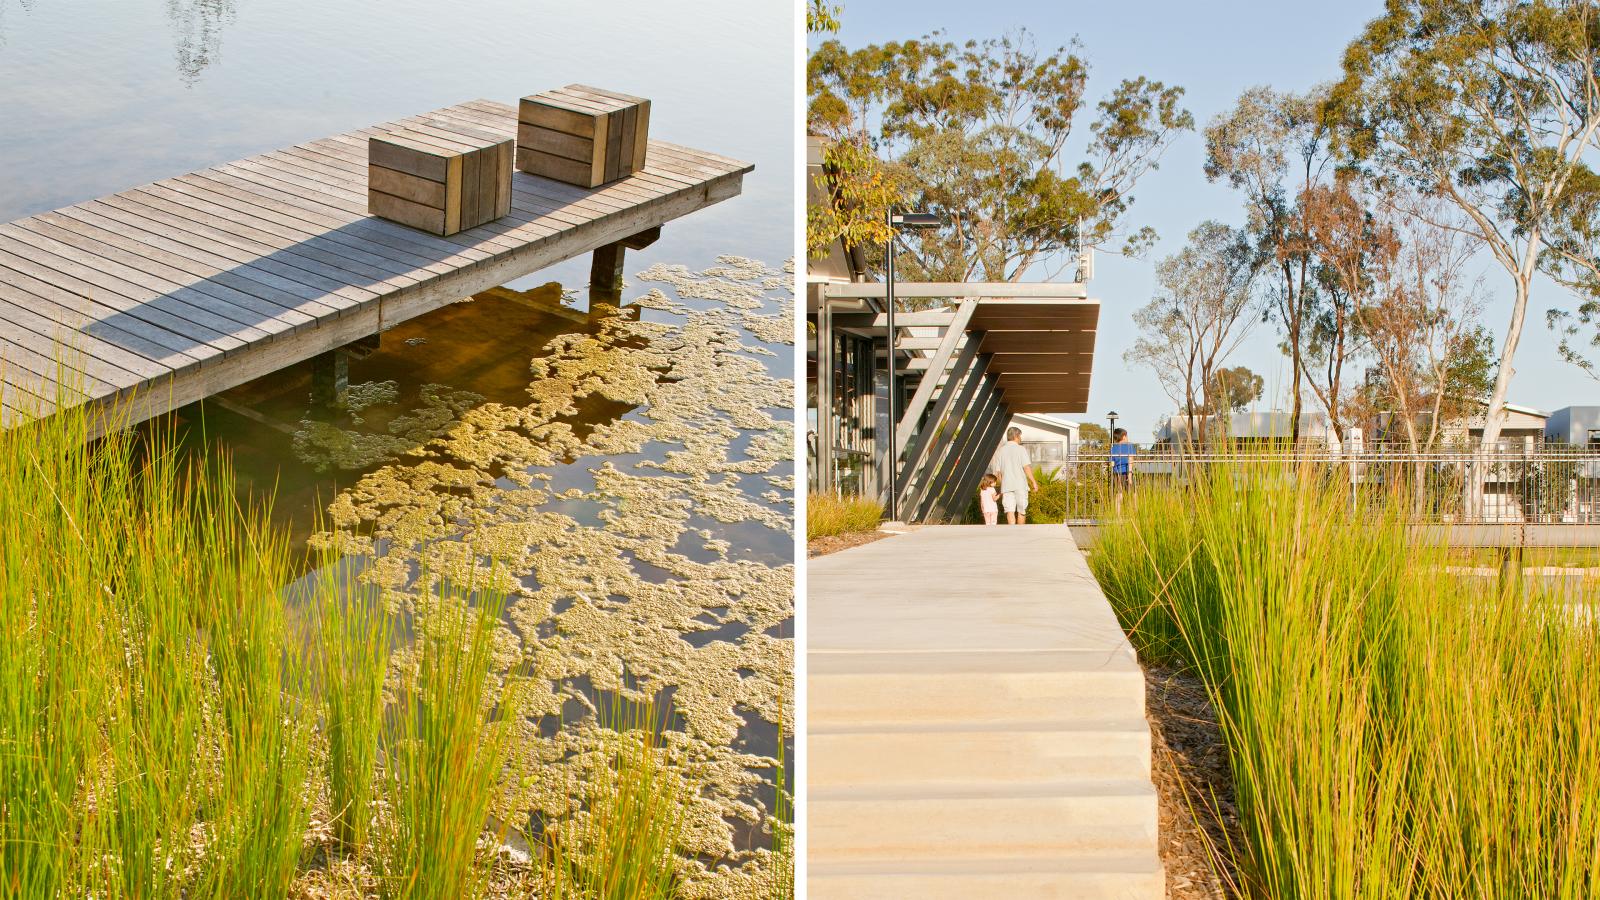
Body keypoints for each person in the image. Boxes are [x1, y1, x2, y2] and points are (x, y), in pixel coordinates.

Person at [992, 426, 1038, 524]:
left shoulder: (1001, 451)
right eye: (1020, 436)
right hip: (1020, 485)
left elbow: (998, 473)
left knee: (1010, 511)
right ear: (1016, 436)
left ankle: (1013, 536)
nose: (1020, 439)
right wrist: (1033, 482)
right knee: (1021, 511)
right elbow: (1026, 467)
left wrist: (1002, 486)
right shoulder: (1021, 449)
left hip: (1006, 486)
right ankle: (1020, 535)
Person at [1109, 428, 1136, 494]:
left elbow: (1111, 462)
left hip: (1117, 474)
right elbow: (1130, 460)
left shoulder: (1113, 448)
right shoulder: (1130, 446)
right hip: (1127, 472)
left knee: (1119, 494)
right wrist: (1129, 476)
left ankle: (1117, 505)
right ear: (1124, 436)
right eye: (1127, 436)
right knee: (1133, 494)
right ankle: (1133, 505)